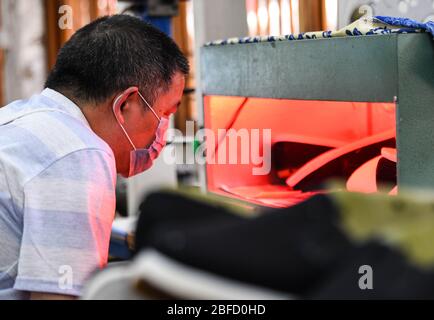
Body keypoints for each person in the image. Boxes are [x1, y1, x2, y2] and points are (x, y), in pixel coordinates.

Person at [0, 14, 189, 300]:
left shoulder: (18, 117)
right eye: (164, 114)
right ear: (125, 104)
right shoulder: (79, 154)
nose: (163, 131)